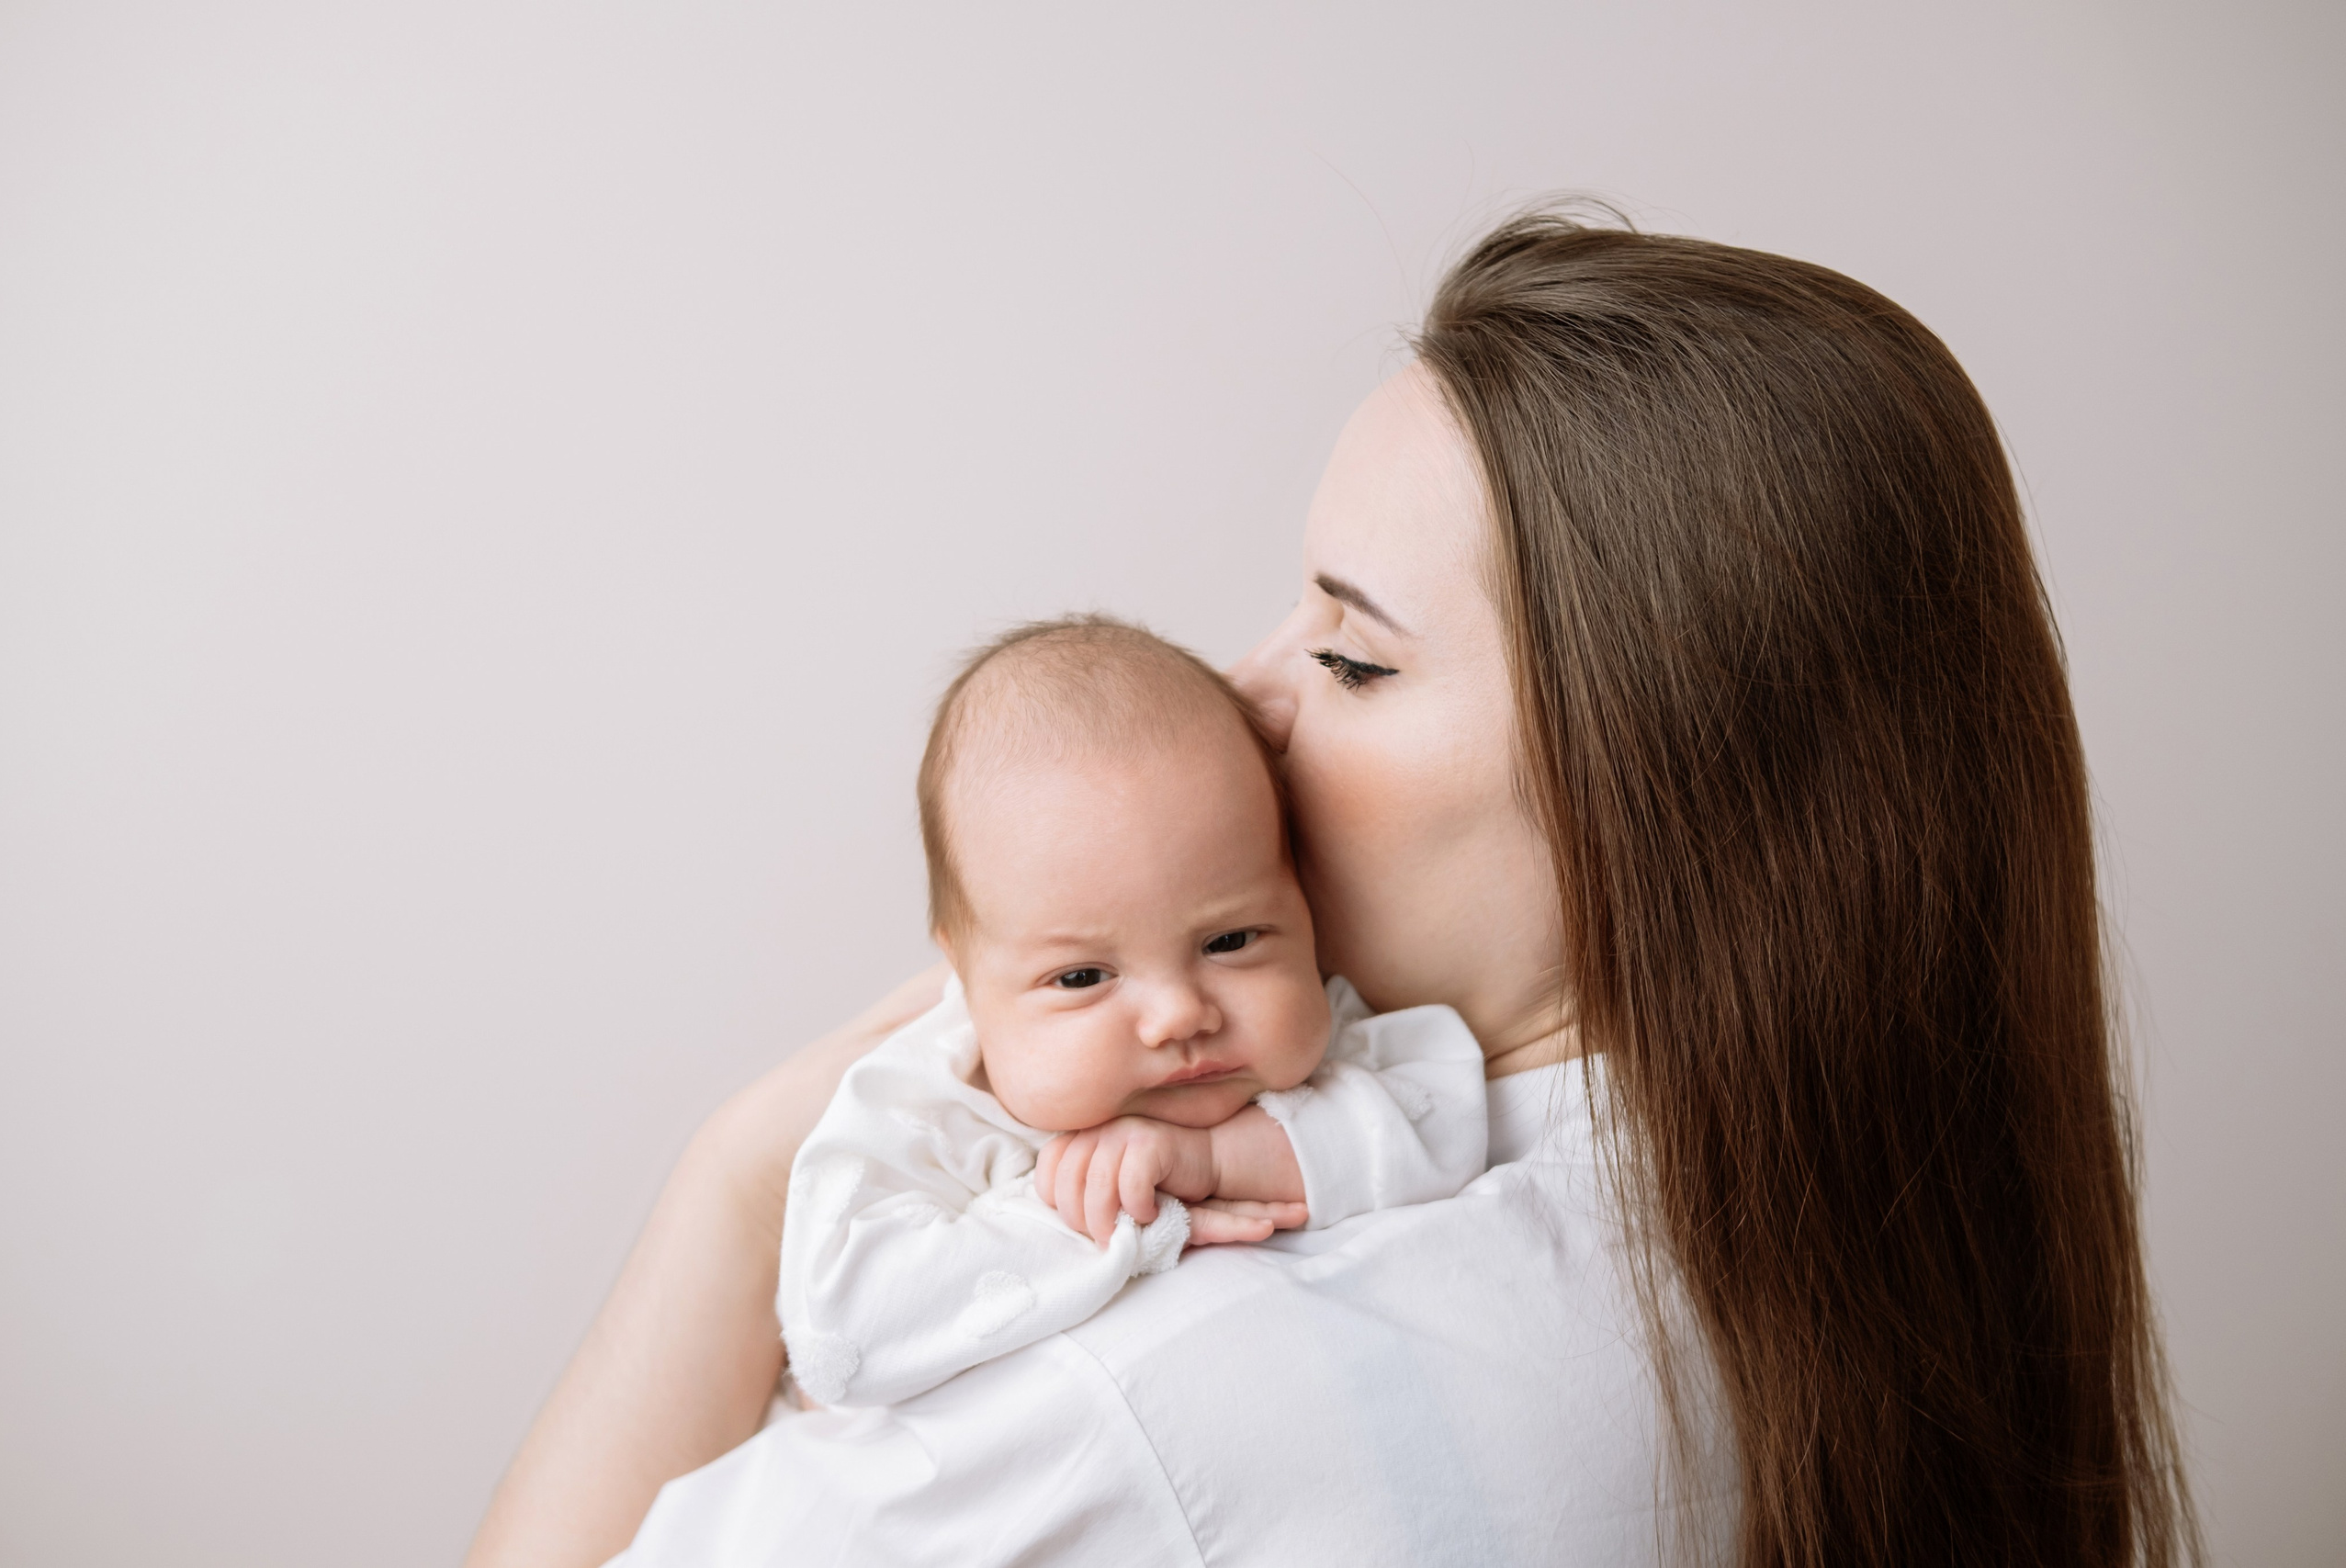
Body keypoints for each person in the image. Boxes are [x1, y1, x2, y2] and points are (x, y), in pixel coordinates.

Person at [466, 209, 2198, 1568]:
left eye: (1354, 657)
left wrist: (740, 1176)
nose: (1244, 691)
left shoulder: (1146, 1391)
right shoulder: (1882, 1257)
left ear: (1655, 784)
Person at [777, 616, 1487, 1410]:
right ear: (966, 978)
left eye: (1230, 939)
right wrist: (1121, 1211)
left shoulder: (1328, 1028)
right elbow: (840, 1341)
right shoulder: (926, 1107)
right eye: (1083, 976)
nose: (1179, 1014)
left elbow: (1452, 1121)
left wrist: (1216, 1161)